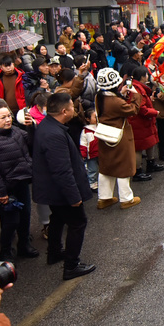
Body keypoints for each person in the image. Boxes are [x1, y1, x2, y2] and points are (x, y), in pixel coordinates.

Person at [32, 92, 95, 280]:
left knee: (58, 218)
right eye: (72, 107)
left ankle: (54, 252)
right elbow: (61, 169)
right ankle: (71, 265)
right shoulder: (53, 134)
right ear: (64, 111)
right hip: (60, 190)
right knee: (78, 222)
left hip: (53, 190)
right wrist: (74, 196)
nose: (74, 110)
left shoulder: (49, 126)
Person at [0, 102, 38, 262]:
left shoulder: (15, 131)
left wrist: (31, 128)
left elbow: (31, 143)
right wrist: (0, 192)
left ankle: (24, 245)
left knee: (25, 216)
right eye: (3, 117)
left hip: (21, 182)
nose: (8, 120)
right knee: (11, 221)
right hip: (5, 188)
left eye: (9, 116)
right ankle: (5, 252)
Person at [94, 68, 142, 210]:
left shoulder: (99, 97)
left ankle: (104, 197)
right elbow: (133, 109)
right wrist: (136, 96)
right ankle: (126, 198)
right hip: (119, 137)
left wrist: (120, 95)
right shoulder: (115, 101)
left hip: (104, 135)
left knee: (106, 167)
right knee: (123, 167)